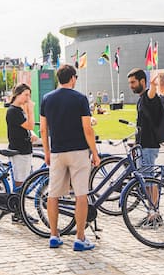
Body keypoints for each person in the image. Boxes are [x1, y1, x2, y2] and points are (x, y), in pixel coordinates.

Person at [41, 64, 100, 252]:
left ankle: (53, 235)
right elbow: (87, 129)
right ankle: (80, 237)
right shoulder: (80, 98)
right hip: (78, 151)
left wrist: (47, 151)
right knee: (81, 194)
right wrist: (95, 153)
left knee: (53, 194)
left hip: (58, 151)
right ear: (73, 78)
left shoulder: (47, 99)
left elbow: (43, 129)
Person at [127, 68, 163, 226]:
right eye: (130, 83)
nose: (131, 85)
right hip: (143, 145)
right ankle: (152, 213)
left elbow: (151, 95)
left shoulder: (148, 97)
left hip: (149, 146)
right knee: (146, 182)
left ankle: (154, 214)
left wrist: (153, 86)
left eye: (133, 82)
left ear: (142, 81)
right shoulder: (142, 99)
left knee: (149, 181)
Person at [6, 83, 37, 223]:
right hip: (19, 150)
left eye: (29, 95)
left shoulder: (19, 110)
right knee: (20, 182)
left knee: (24, 181)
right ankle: (18, 212)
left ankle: (20, 211)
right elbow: (29, 124)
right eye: (26, 95)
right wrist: (31, 110)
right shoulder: (13, 111)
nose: (28, 98)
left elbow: (27, 128)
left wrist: (31, 134)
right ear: (17, 95)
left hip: (24, 148)